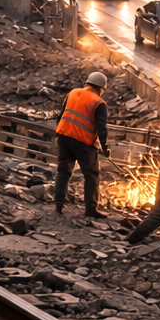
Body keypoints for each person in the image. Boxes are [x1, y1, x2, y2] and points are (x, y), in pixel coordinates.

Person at [53, 71, 110, 220]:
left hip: (64, 136)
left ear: (88, 82)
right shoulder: (99, 102)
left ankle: (58, 206)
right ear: (101, 88)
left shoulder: (73, 92)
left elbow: (62, 113)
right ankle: (91, 209)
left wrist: (59, 131)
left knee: (63, 172)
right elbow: (102, 127)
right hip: (83, 142)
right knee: (91, 175)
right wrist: (105, 146)